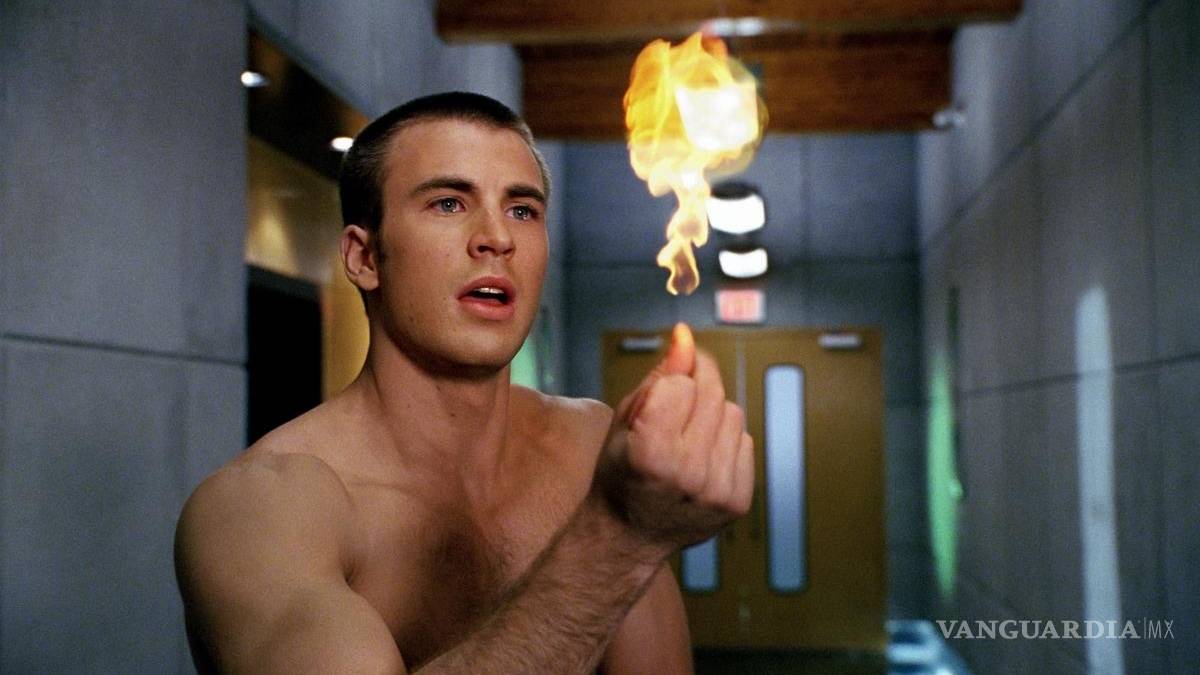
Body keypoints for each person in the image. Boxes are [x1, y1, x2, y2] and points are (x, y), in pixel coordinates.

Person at [174, 91, 754, 674]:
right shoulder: (259, 511)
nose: (497, 237)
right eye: (449, 203)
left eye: (522, 210)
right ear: (365, 257)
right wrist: (619, 538)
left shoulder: (588, 449)